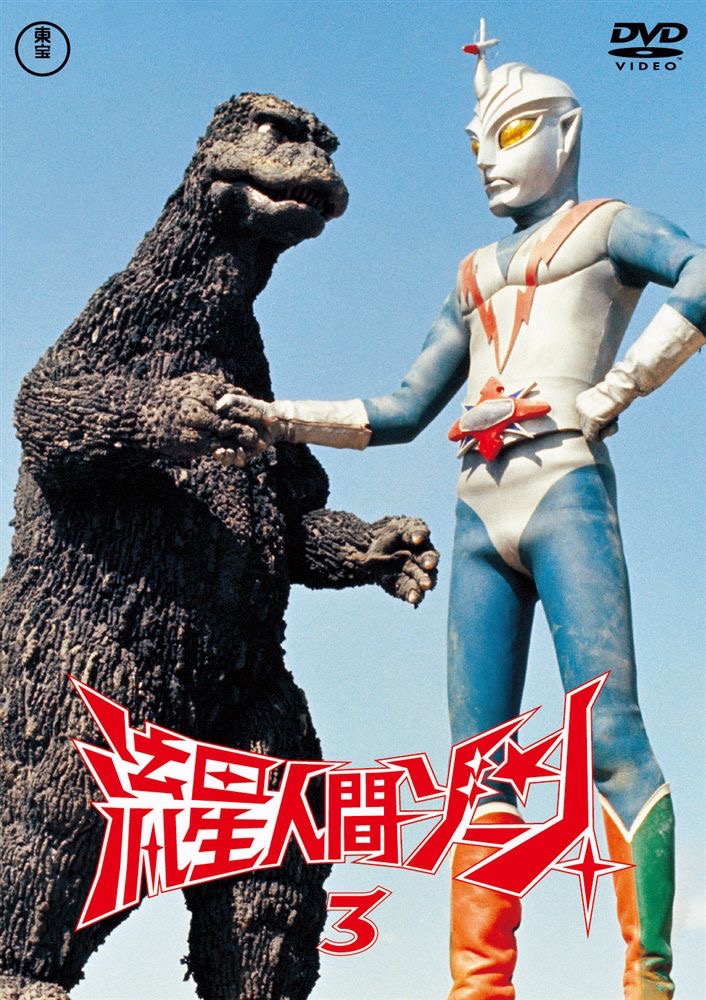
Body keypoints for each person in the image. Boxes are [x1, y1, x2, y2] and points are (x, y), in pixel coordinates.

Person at [215, 21, 705, 1000]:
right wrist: (276, 417)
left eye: (512, 130)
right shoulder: (472, 273)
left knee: (609, 736)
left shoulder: (606, 226)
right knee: (480, 769)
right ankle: (479, 989)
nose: (488, 156)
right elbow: (400, 409)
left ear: (566, 131)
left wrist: (620, 387)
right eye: (477, 140)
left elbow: (701, 273)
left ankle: (646, 981)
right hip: (481, 507)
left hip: (562, 484)